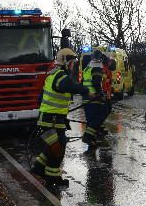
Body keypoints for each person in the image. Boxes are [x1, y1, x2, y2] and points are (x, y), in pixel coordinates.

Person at [32, 48, 88, 184]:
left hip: (50, 120)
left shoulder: (52, 75)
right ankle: (53, 178)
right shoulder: (61, 76)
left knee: (53, 147)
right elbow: (70, 86)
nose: (73, 65)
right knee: (58, 149)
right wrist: (86, 90)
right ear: (65, 62)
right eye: (72, 62)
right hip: (50, 122)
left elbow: (41, 99)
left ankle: (39, 167)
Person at [81, 50, 111, 147]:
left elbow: (82, 82)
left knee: (91, 119)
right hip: (94, 97)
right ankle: (88, 136)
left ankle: (93, 138)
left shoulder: (87, 67)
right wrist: (101, 94)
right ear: (100, 59)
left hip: (86, 97)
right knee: (101, 114)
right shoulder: (97, 66)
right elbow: (96, 83)